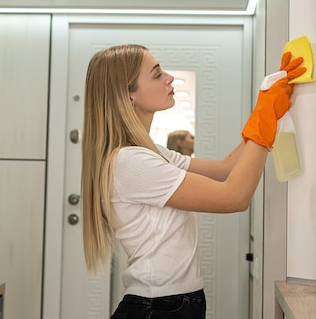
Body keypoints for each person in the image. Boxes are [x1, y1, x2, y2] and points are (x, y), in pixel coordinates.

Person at [80, 44, 304, 318]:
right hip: (159, 306)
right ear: (129, 97)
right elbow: (234, 197)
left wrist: (262, 111)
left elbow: (224, 169)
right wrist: (265, 119)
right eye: (156, 74)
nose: (169, 78)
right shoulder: (131, 162)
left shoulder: (150, 151)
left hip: (171, 303)